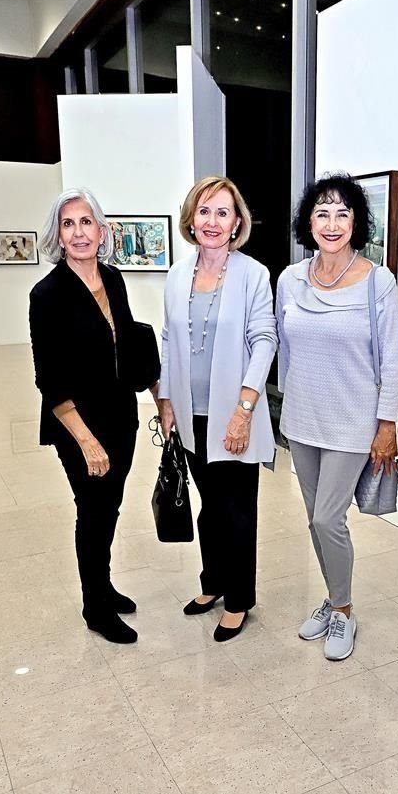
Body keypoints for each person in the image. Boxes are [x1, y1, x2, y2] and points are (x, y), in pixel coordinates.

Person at [276, 173, 398, 661]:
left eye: (342, 212)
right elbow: (284, 349)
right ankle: (332, 598)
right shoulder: (290, 279)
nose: (332, 223)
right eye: (322, 212)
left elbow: (392, 359)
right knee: (313, 518)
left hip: (353, 423)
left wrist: (386, 425)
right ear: (309, 222)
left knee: (330, 519)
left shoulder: (378, 282)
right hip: (302, 420)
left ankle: (345, 611)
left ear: (357, 222)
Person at [29, 188, 158, 644]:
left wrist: (156, 389)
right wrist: (86, 440)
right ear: (58, 236)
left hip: (120, 415)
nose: (79, 232)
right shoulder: (46, 295)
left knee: (109, 508)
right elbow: (50, 378)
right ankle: (94, 608)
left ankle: (102, 586)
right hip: (77, 426)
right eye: (69, 224)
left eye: (87, 222)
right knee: (94, 510)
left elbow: (128, 340)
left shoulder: (113, 277)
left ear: (101, 231)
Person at [158, 176, 277, 642]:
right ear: (192, 218)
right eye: (204, 211)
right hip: (191, 416)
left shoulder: (253, 275)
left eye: (222, 213)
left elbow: (264, 339)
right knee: (209, 507)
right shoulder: (176, 274)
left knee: (237, 510)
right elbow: (169, 340)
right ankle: (213, 583)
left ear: (236, 223)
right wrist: (165, 400)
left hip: (234, 417)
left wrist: (244, 408)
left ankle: (240, 599)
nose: (212, 221)